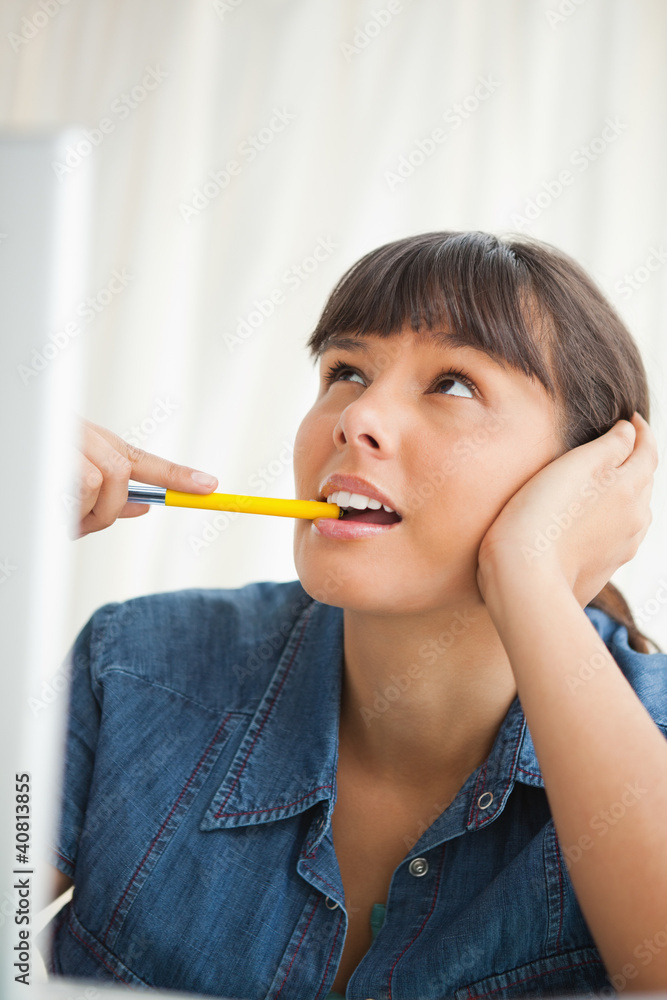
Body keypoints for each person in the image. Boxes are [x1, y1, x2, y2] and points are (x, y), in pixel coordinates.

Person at [40, 231, 667, 998]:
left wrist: (531, 572)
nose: (357, 415)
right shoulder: (134, 665)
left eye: (454, 384)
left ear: (589, 479)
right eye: (344, 371)